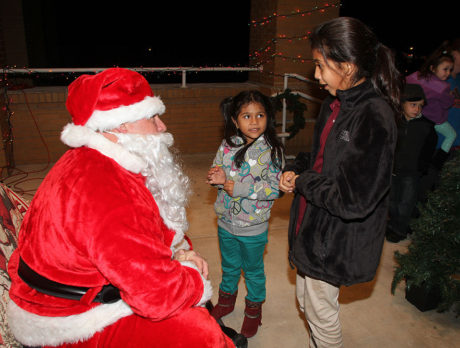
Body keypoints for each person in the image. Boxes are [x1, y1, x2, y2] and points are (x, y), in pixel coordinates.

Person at [7, 68, 234, 348]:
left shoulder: (97, 159)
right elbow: (156, 296)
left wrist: (179, 251)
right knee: (201, 333)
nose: (162, 126)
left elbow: (145, 228)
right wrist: (192, 277)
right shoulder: (104, 187)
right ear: (120, 125)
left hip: (76, 293)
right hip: (70, 317)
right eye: (152, 117)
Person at [279, 17, 400, 347]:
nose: (316, 76)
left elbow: (354, 200)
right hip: (313, 226)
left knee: (321, 315)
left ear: (347, 66)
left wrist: (304, 182)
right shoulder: (336, 102)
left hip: (334, 242)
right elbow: (319, 155)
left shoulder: (374, 115)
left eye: (320, 66)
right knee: (307, 304)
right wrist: (297, 168)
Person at [206, 90, 284, 338]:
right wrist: (217, 178)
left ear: (268, 118)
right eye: (247, 116)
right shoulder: (228, 145)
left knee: (252, 270)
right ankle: (226, 301)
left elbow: (275, 189)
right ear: (235, 120)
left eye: (260, 115)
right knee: (229, 266)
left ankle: (253, 310)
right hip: (226, 222)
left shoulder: (272, 151)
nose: (254, 121)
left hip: (253, 227)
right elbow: (218, 171)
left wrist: (238, 187)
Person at [385, 84, 437, 243]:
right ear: (402, 103)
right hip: (393, 170)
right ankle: (393, 225)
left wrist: (422, 168)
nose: (417, 109)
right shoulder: (394, 122)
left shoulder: (426, 126)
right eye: (413, 105)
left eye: (420, 106)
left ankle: (400, 229)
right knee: (391, 201)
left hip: (412, 173)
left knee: (406, 203)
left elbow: (429, 148)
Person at [406, 47, 456, 170]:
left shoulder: (416, 76)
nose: (448, 73)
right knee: (451, 135)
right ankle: (439, 160)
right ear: (433, 68)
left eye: (450, 70)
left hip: (418, 115)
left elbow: (406, 83)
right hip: (435, 120)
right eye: (445, 69)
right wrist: (451, 97)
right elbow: (447, 104)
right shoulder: (443, 87)